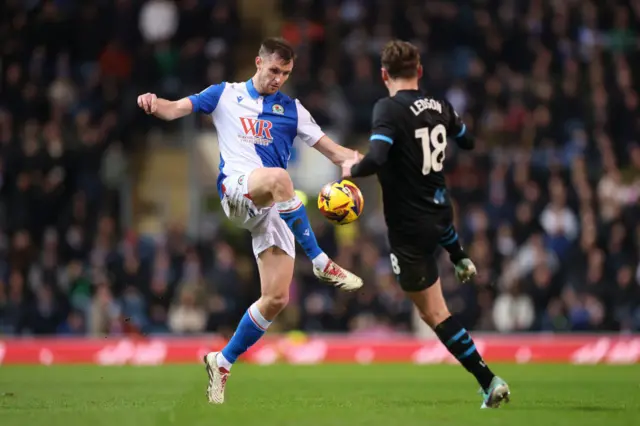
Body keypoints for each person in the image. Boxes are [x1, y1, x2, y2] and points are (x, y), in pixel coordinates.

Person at [137, 37, 363, 404]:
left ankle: (221, 361)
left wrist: (353, 160)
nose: (278, 79)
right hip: (237, 191)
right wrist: (153, 103)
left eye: (286, 73)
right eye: (274, 70)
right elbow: (176, 108)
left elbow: (335, 151)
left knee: (275, 298)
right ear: (258, 62)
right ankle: (321, 262)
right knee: (280, 178)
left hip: (272, 207)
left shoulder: (293, 110)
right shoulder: (224, 94)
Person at [342, 40, 510, 409]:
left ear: (384, 74)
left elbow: (377, 158)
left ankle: (488, 380)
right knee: (435, 229)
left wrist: (350, 170)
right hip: (440, 213)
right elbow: (466, 142)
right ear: (419, 71)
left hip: (407, 226)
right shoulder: (441, 105)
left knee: (433, 313)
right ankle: (460, 257)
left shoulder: (387, 107)